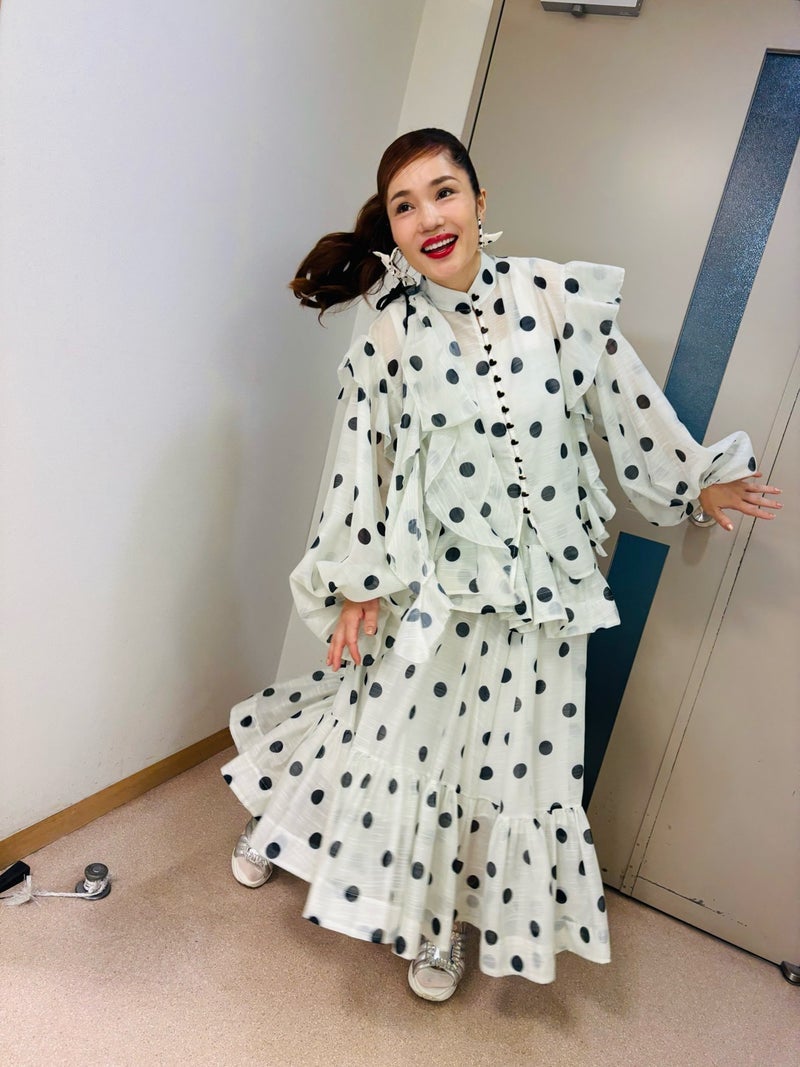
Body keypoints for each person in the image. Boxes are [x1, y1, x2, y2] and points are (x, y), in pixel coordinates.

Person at [221, 128, 781, 1001]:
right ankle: (283, 830)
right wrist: (355, 579)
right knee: (386, 732)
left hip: (545, 592)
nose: (428, 217)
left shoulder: (555, 298)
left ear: (480, 202)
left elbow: (628, 401)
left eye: (443, 192)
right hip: (433, 588)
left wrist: (694, 480)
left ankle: (441, 921)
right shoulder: (388, 337)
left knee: (506, 763)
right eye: (405, 206)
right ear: (392, 229)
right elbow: (359, 465)